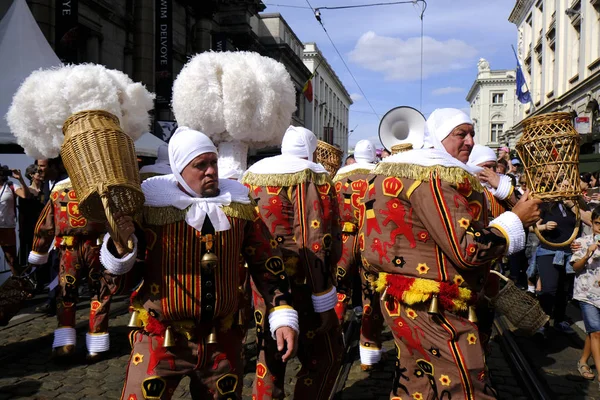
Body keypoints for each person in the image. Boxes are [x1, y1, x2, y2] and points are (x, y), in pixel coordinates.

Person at [101, 127, 298, 399]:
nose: (210, 171)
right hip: (161, 337)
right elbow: (120, 284)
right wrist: (120, 247)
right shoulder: (150, 210)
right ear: (180, 170)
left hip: (222, 340)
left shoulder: (239, 206)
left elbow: (267, 264)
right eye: (200, 165)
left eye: (213, 162)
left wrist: (282, 314)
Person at [364, 108, 541, 399]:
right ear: (438, 137)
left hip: (407, 300)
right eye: (461, 134)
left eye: (472, 133)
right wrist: (516, 221)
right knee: (468, 384)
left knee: (416, 386)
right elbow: (467, 249)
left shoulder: (409, 170)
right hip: (436, 304)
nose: (470, 141)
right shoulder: (432, 176)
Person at [242, 125, 343, 400]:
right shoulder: (311, 178)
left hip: (266, 285)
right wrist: (323, 297)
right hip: (303, 283)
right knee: (327, 356)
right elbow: (315, 239)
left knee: (270, 360)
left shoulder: (252, 177)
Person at [27, 176, 120, 361]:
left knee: (66, 291)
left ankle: (65, 342)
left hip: (69, 248)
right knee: (100, 292)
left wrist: (39, 251)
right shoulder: (102, 185)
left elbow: (45, 225)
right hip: (96, 246)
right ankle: (96, 342)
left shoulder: (58, 189)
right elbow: (115, 216)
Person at [333, 139, 384, 371]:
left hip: (344, 240)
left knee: (340, 290)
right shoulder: (380, 176)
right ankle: (369, 351)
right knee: (370, 294)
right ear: (373, 156)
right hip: (369, 239)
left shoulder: (339, 178)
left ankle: (334, 344)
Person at [571, 207, 600, 383]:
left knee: (594, 332)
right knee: (596, 332)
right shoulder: (582, 242)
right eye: (597, 223)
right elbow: (575, 267)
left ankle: (583, 361)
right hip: (586, 293)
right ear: (592, 223)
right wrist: (588, 252)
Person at [0, 165, 31, 275]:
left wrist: (20, 179)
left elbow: (25, 195)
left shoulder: (11, 186)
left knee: (12, 260)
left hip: (6, 228)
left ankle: (20, 287)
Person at [17, 165, 44, 269]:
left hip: (43, 228)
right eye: (38, 172)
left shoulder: (46, 190)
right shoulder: (26, 191)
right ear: (31, 175)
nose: (41, 173)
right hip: (29, 229)